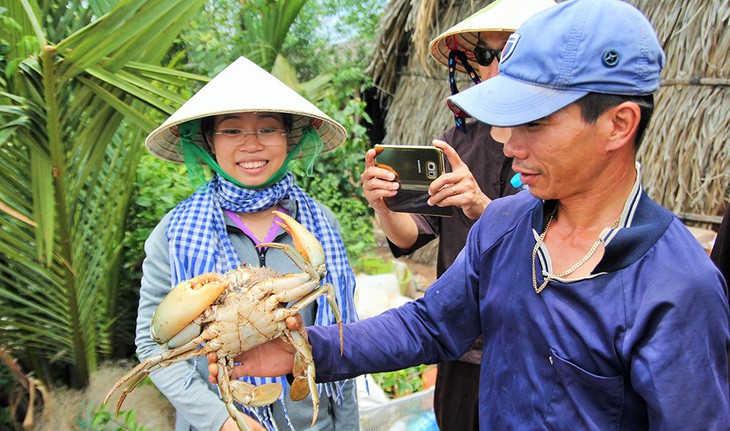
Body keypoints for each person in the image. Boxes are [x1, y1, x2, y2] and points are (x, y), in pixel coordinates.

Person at [209, 0, 730, 429]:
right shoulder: (506, 224)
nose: (506, 141)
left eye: (535, 122)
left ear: (618, 125)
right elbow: (428, 324)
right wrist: (301, 349)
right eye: (505, 119)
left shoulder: (679, 289)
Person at [136, 56, 359, 431]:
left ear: (289, 139)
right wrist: (221, 421)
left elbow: (343, 336)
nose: (252, 145)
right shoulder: (174, 234)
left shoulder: (319, 225)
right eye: (232, 131)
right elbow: (152, 345)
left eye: (268, 129)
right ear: (208, 140)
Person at [360, 0, 554, 429]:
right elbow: (411, 236)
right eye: (486, 54)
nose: (497, 64)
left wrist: (481, 206)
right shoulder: (458, 139)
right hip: (463, 344)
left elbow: (563, 247)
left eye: (514, 50)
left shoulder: (564, 146)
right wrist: (383, 205)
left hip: (536, 346)